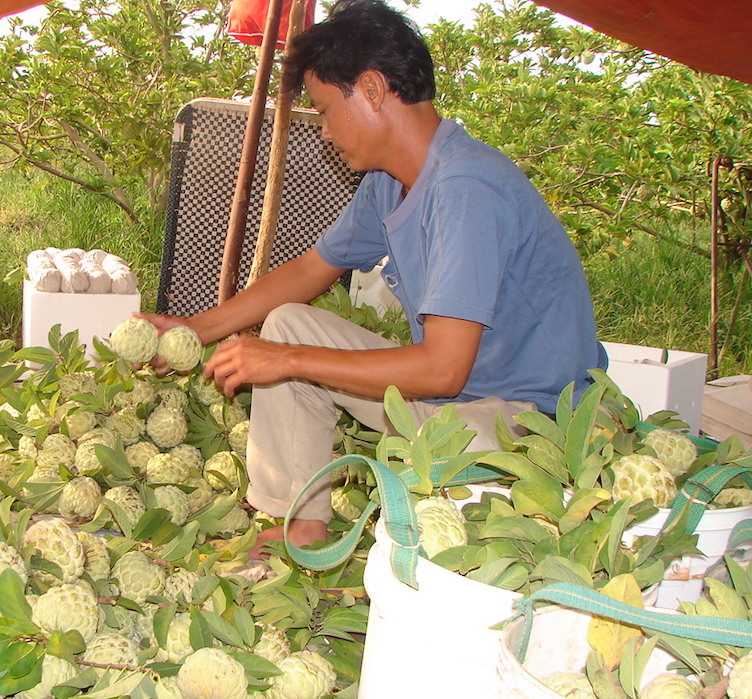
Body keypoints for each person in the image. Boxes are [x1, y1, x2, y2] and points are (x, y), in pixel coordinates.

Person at [141, 0, 606, 557]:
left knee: (299, 360)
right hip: (453, 404)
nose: (325, 132)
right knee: (288, 325)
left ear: (372, 89)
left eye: (325, 110)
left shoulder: (466, 188)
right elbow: (311, 269)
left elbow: (442, 368)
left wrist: (289, 361)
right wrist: (194, 329)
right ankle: (301, 521)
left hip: (533, 425)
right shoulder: (389, 183)